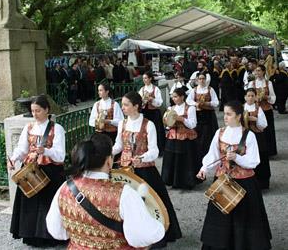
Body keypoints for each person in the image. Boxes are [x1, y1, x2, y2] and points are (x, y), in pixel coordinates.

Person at [46, 133, 165, 249]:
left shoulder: (65, 187)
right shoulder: (124, 193)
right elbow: (141, 237)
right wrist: (157, 225)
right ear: (109, 161)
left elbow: (56, 231)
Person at [197, 100, 272, 250]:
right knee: (220, 215)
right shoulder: (220, 133)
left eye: (229, 114)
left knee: (244, 217)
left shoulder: (249, 135)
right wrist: (204, 168)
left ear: (238, 116)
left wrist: (237, 158)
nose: (225, 117)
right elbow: (213, 155)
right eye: (224, 114)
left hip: (245, 183)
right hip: (223, 181)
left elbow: (254, 161)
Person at [113, 91, 182, 248]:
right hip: (125, 169)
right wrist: (106, 152)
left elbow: (155, 151)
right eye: (122, 104)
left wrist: (142, 158)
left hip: (144, 171)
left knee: (152, 203)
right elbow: (119, 145)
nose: (122, 107)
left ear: (136, 106)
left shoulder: (148, 125)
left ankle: (155, 235)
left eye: (125, 105)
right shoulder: (122, 123)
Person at [8, 95, 66, 247]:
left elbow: (60, 154)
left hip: (50, 170)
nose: (35, 114)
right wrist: (14, 159)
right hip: (31, 169)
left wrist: (45, 151)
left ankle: (51, 236)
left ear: (47, 110)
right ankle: (31, 235)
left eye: (38, 111)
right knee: (31, 203)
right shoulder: (28, 127)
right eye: (33, 111)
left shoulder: (56, 128)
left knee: (48, 204)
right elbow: (22, 148)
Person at [161, 88, 200, 189]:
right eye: (172, 97)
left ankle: (187, 182)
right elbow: (168, 126)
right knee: (172, 159)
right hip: (173, 137)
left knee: (185, 160)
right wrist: (169, 123)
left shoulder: (190, 108)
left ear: (182, 97)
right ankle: (174, 181)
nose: (174, 99)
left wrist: (182, 119)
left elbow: (193, 124)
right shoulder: (171, 108)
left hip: (186, 137)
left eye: (176, 96)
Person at [186, 72, 219, 162]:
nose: (201, 80)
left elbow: (216, 102)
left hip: (208, 115)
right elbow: (188, 100)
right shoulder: (194, 90)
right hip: (198, 116)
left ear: (205, 79)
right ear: (197, 80)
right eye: (200, 79)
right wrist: (196, 103)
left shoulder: (210, 89)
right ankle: (199, 154)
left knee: (208, 135)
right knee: (199, 135)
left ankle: (209, 154)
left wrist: (207, 103)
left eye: (203, 78)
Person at [244, 88, 271, 189]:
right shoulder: (242, 108)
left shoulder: (258, 108)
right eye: (248, 96)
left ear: (255, 97)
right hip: (244, 136)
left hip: (257, 136)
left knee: (260, 156)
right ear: (245, 97)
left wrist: (255, 119)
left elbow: (264, 124)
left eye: (252, 96)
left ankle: (261, 182)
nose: (250, 98)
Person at [248, 64, 277, 157]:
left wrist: (266, 97)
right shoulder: (251, 83)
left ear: (263, 72)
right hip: (255, 110)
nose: (257, 72)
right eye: (256, 70)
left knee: (267, 130)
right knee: (255, 130)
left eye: (259, 70)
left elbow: (273, 97)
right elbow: (248, 96)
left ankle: (269, 151)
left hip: (266, 109)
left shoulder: (269, 83)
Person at [139, 71, 165, 155]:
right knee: (145, 130)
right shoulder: (142, 89)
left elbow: (160, 102)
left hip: (154, 113)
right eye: (143, 78)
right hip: (144, 112)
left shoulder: (155, 89)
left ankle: (157, 150)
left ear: (150, 78)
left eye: (146, 78)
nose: (144, 80)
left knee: (156, 130)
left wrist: (152, 99)